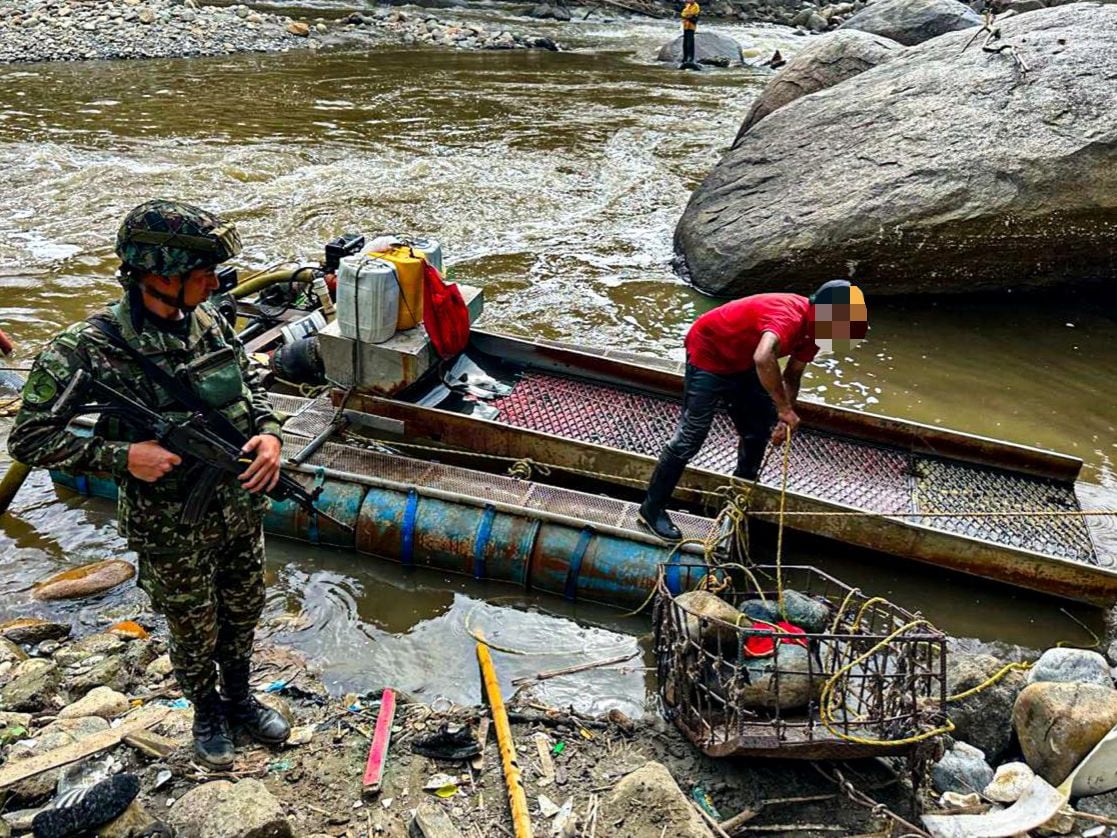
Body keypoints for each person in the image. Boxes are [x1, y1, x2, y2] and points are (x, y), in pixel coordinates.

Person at [9, 200, 291, 767]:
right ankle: (206, 712)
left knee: (244, 608)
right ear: (160, 273)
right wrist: (122, 456)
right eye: (202, 271)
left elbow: (250, 387)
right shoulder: (85, 348)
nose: (215, 282)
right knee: (192, 626)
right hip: (169, 524)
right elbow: (29, 438)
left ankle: (239, 698)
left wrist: (269, 434)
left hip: (237, 505)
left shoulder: (209, 319)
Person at [637, 280, 868, 540]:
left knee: (758, 431)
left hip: (743, 362)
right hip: (709, 353)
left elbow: (792, 374)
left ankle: (736, 500)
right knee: (691, 436)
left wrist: (784, 415)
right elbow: (763, 356)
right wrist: (781, 406)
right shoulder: (789, 316)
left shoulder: (817, 334)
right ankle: (651, 509)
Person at [680, 0, 701, 67]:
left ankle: (690, 58)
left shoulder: (696, 6)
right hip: (686, 26)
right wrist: (686, 15)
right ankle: (685, 57)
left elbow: (691, 14)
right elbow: (683, 13)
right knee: (685, 43)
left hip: (691, 26)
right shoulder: (688, 5)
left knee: (690, 43)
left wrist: (686, 16)